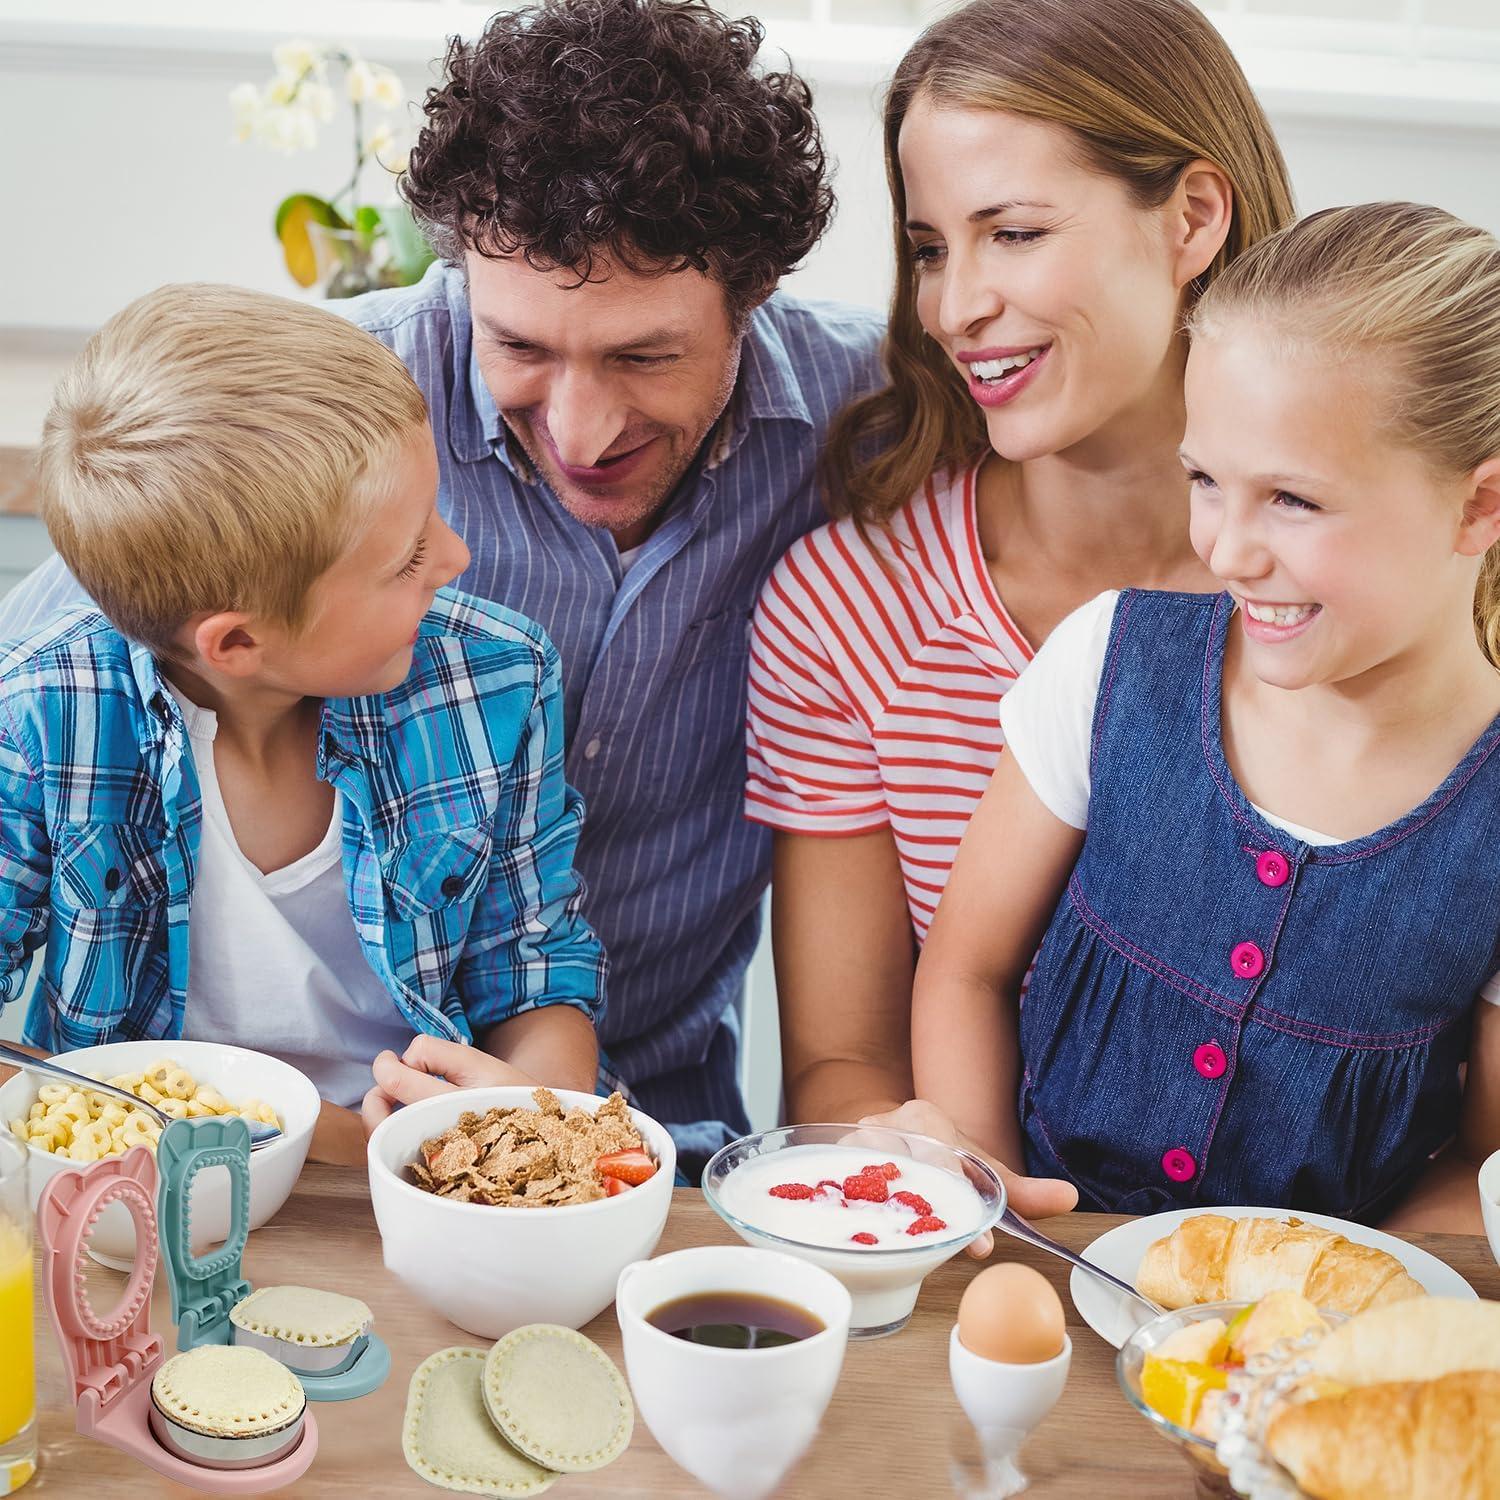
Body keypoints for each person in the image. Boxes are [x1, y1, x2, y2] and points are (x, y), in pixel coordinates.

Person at [0, 0, 884, 1175]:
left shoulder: (868, 420)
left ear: (753, 297)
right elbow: (101, 635)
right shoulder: (325, 422)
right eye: (517, 346)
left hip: (631, 1125)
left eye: (645, 356)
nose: (580, 430)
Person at [745, 0, 1295, 1157]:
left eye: (1017, 233)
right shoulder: (851, 606)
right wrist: (942, 1172)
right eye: (933, 247)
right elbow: (845, 1065)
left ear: (1192, 217)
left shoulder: (1358, 586)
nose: (955, 306)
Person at [912, 201, 1500, 1234]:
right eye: (1205, 481)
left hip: (1310, 1351)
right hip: (1041, 1263)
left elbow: (1480, 1162)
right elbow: (966, 970)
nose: (1227, 551)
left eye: (1294, 501)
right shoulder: (1109, 660)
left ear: (1481, 506)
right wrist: (999, 1218)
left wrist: (1325, 1321)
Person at [0, 284, 606, 1163]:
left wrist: (539, 1114)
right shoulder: (42, 717)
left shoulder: (496, 681)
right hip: (139, 1189)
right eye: (404, 559)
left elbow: (534, 969)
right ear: (239, 642)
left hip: (412, 1182)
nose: (455, 556)